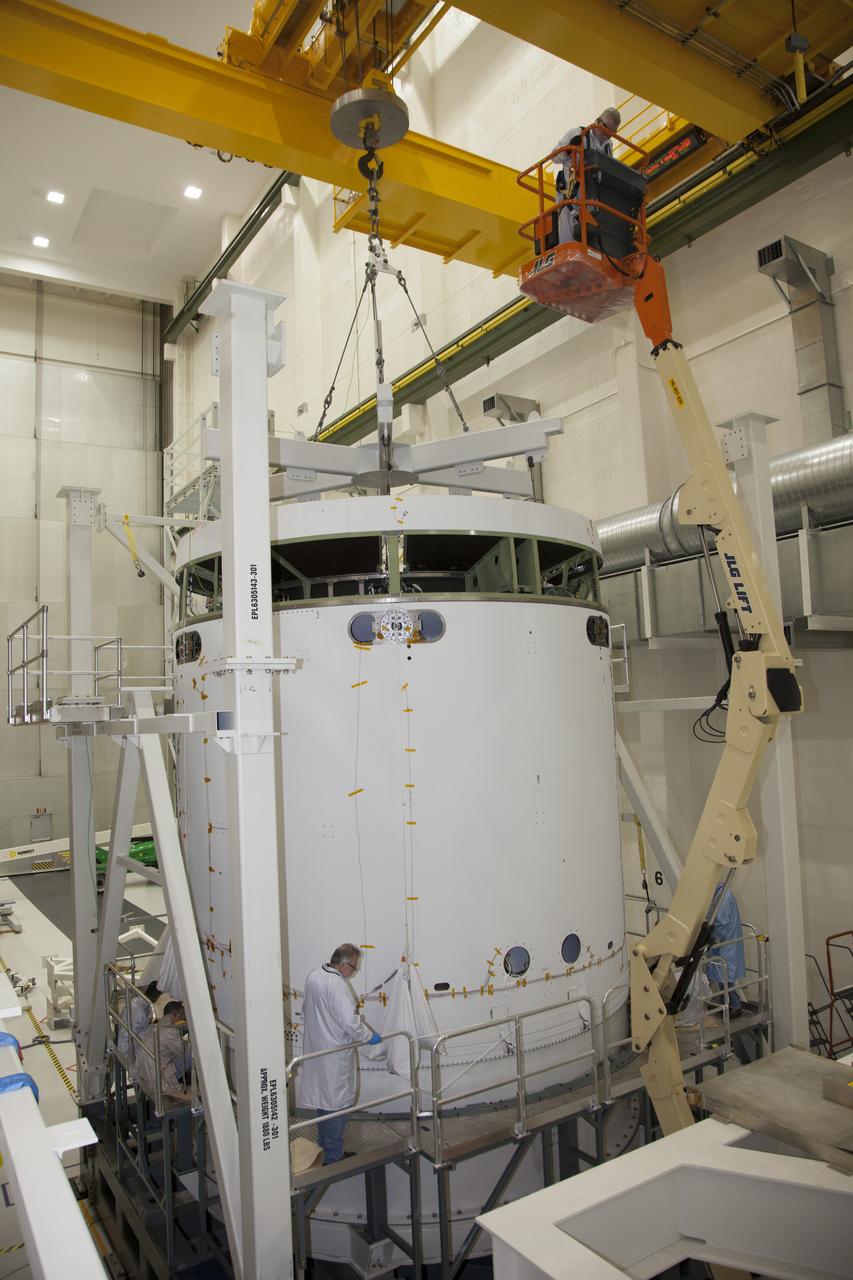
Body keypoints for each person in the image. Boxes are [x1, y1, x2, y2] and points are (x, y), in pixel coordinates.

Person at [299, 944, 382, 1164]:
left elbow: (306, 1009)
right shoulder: (337, 985)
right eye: (354, 967)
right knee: (337, 1104)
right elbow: (350, 1023)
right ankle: (333, 1156)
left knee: (324, 1102)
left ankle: (324, 1147)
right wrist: (370, 1036)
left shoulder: (314, 976)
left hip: (318, 1050)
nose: (354, 972)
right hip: (335, 1055)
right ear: (344, 964)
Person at [552, 107, 621, 243]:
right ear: (598, 121)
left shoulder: (608, 147)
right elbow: (554, 156)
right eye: (606, 129)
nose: (606, 135)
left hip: (592, 202)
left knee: (590, 242)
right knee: (569, 242)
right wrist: (569, 150)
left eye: (611, 132)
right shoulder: (579, 133)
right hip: (571, 198)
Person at [135, 1000, 193, 1111]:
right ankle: (200, 1080)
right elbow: (182, 1051)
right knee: (193, 1054)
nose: (183, 1017)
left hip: (145, 1069)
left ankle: (191, 1077)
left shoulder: (159, 1024)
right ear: (174, 1014)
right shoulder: (169, 1030)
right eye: (181, 1014)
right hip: (157, 1075)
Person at [707, 883, 746, 1015]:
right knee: (722, 974)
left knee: (724, 975)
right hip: (726, 942)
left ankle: (735, 1006)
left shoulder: (722, 896)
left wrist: (711, 940)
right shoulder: (721, 893)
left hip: (725, 942)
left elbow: (721, 923)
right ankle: (727, 1003)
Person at [116, 979, 159, 1077]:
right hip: (131, 1052)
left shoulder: (140, 1003)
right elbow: (131, 1036)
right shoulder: (139, 1010)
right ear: (156, 996)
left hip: (134, 1046)